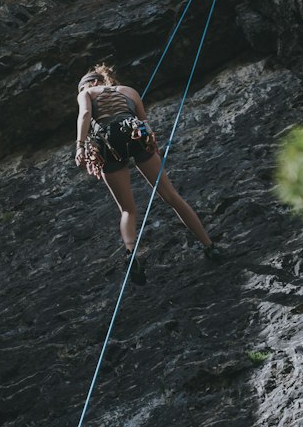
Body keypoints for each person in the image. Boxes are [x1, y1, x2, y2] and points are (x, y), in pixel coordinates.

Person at [74, 63, 219, 282]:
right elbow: (145, 123)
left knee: (127, 210)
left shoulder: (87, 92)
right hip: (135, 134)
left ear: (91, 83)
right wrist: (152, 149)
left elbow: (85, 114)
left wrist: (80, 146)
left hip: (107, 141)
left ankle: (131, 254)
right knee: (171, 196)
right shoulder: (129, 90)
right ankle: (209, 245)